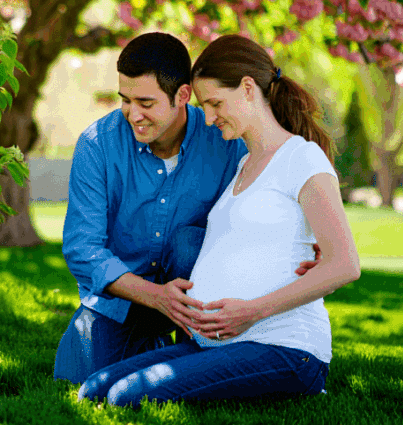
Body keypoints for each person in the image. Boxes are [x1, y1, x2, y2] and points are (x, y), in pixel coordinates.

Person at [76, 34, 362, 407]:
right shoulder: (243, 164)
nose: (209, 119)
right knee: (94, 388)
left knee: (125, 397)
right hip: (219, 343)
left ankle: (299, 384)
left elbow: (345, 265)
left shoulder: (301, 157)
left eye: (215, 104)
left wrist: (251, 311)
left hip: (283, 346)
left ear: (248, 89)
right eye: (204, 107)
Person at [54, 32, 254, 385]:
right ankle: (155, 344)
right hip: (122, 299)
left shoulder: (224, 142)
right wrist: (157, 297)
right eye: (125, 100)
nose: (133, 114)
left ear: (183, 95)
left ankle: (193, 344)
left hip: (198, 294)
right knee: (77, 380)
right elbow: (82, 249)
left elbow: (252, 219)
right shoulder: (97, 145)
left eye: (146, 102)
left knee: (188, 243)